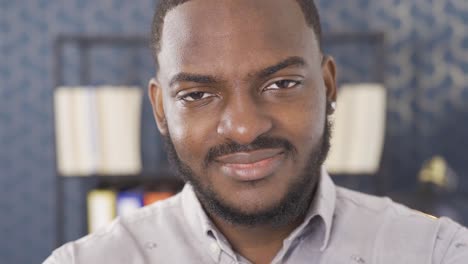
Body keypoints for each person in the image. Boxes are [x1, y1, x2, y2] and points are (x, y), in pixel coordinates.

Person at [44, 0, 468, 263]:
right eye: (196, 95)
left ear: (328, 86)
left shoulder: (437, 252)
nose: (245, 128)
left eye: (281, 84)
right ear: (160, 108)